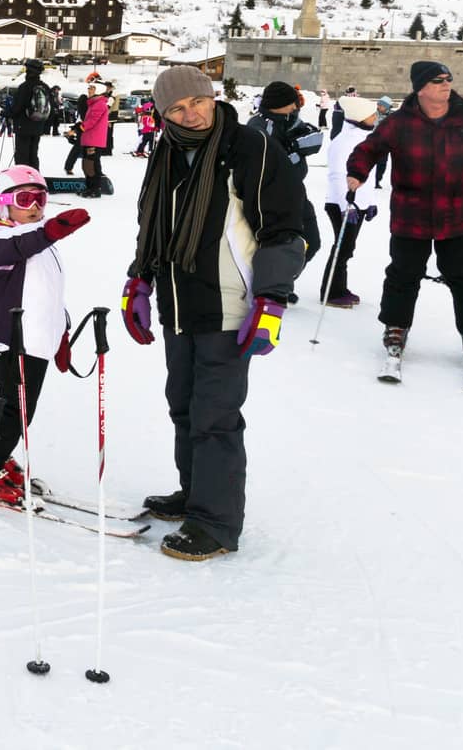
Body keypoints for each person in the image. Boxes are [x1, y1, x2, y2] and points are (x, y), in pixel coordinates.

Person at [122, 65, 305, 561]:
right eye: (178, 109)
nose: (192, 114)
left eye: (198, 102)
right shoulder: (165, 153)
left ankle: (217, 523)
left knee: (215, 416)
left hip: (230, 304)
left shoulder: (249, 147)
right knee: (183, 405)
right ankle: (197, 494)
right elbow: (151, 221)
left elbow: (286, 229)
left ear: (213, 97)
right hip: (178, 305)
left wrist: (271, 298)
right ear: (162, 116)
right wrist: (139, 279)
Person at [0, 167, 91, 505]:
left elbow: (47, 293)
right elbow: (6, 253)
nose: (34, 206)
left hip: (37, 338)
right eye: (24, 199)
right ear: (2, 204)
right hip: (14, 337)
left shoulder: (38, 240)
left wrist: (61, 332)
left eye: (40, 198)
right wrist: (50, 231)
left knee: (18, 406)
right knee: (16, 408)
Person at [346, 61, 463, 389]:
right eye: (438, 80)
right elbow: (368, 149)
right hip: (412, 215)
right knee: (403, 274)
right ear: (420, 87)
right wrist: (356, 172)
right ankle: (395, 327)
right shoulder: (399, 123)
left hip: (459, 215)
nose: (446, 84)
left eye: (449, 79)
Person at [249, 81, 324, 273]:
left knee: (312, 242)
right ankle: (269, 287)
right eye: (291, 102)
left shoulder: (289, 119)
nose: (295, 106)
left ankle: (282, 282)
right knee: (272, 249)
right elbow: (272, 165)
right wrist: (294, 151)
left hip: (297, 193)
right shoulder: (258, 127)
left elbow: (315, 138)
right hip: (272, 200)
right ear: (278, 102)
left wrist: (293, 147)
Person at [321, 96, 382, 308]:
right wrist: (344, 205)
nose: (376, 117)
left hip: (359, 204)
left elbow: (370, 175)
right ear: (359, 117)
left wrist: (371, 202)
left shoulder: (366, 139)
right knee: (342, 247)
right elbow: (337, 176)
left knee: (348, 247)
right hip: (343, 204)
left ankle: (339, 287)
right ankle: (330, 292)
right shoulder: (343, 141)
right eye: (372, 114)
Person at [3, 59, 50, 170]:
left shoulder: (24, 87)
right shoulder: (45, 87)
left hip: (23, 126)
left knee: (22, 155)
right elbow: (50, 107)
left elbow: (17, 108)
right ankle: (35, 178)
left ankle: (23, 180)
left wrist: (7, 113)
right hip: (38, 126)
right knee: (33, 154)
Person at [77, 83, 111, 198]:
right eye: (89, 88)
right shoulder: (93, 104)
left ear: (98, 90)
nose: (89, 90)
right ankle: (90, 187)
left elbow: (92, 121)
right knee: (87, 164)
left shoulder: (99, 104)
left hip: (94, 140)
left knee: (91, 165)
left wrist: (80, 128)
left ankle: (94, 189)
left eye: (92, 88)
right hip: (89, 138)